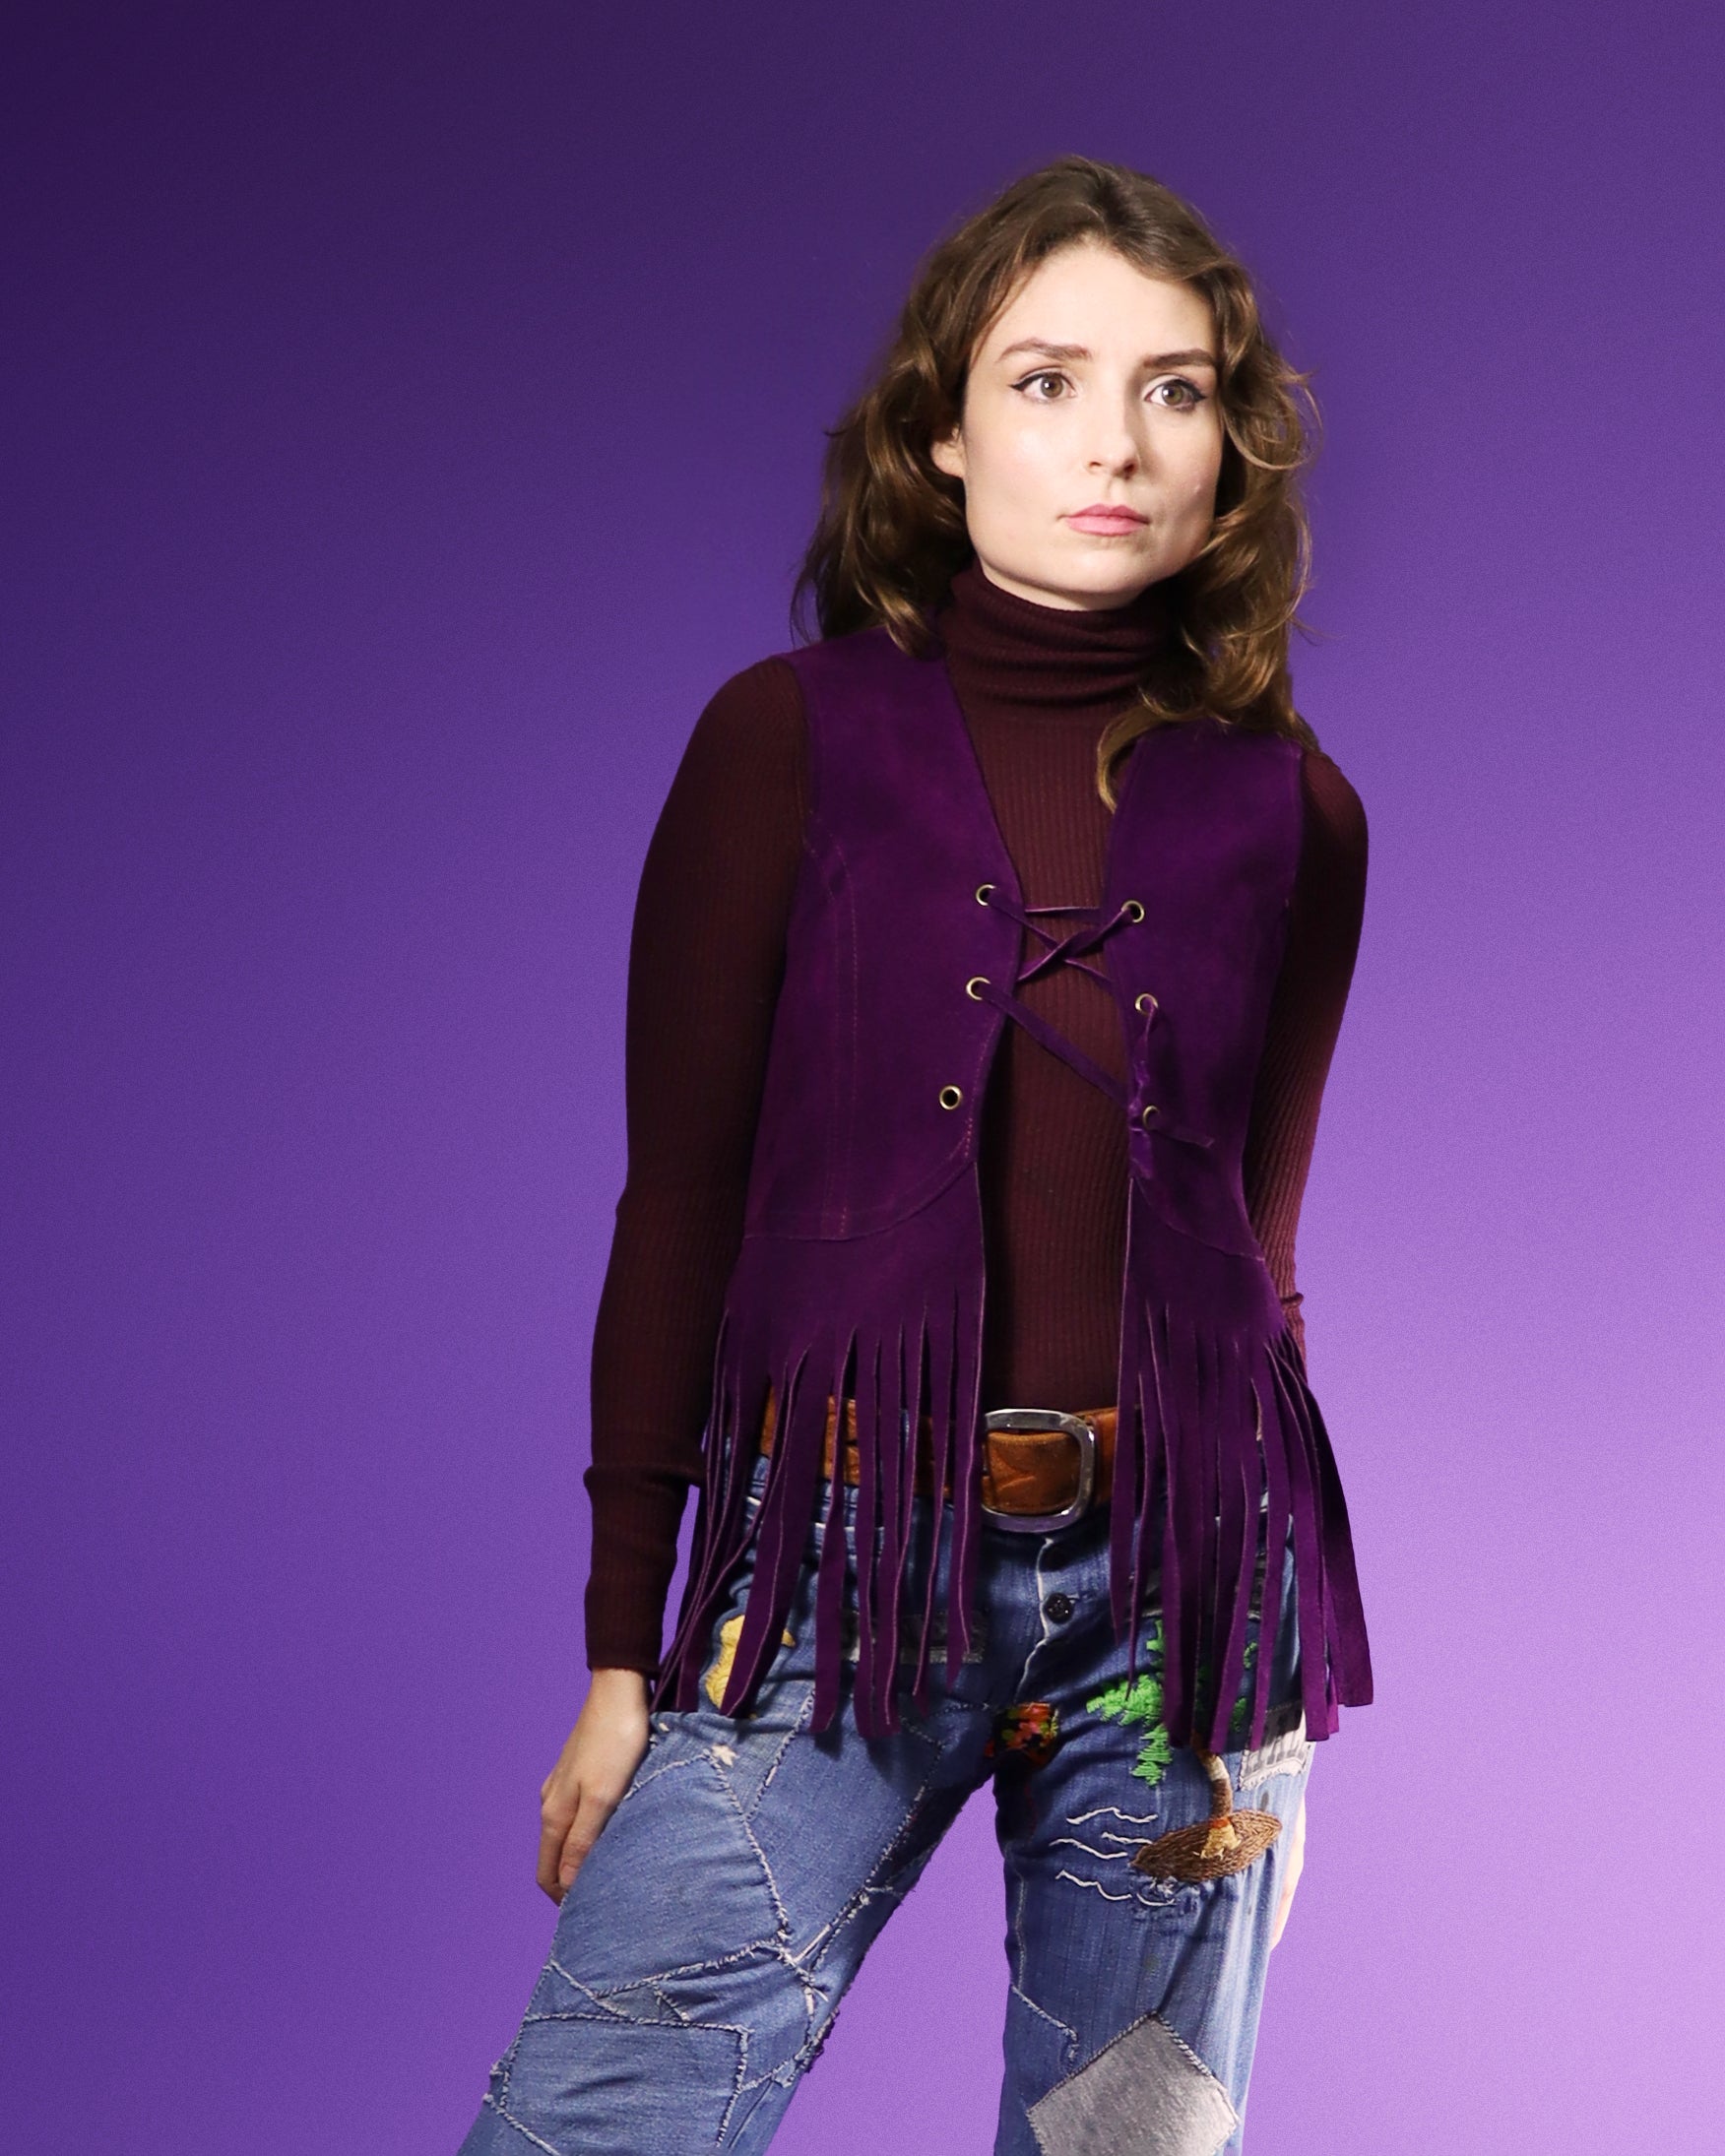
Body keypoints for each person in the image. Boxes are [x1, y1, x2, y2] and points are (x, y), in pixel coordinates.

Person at [456, 154, 1374, 2156]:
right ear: (941, 433)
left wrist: (1272, 1694)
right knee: (594, 2125)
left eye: (1176, 389)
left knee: (1124, 2144)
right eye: (1048, 381)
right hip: (843, 1558)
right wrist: (623, 1650)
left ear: (1229, 447)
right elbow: (678, 1202)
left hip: (1187, 1606)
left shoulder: (1302, 813)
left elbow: (1258, 1246)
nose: (1116, 442)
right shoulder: (784, 741)